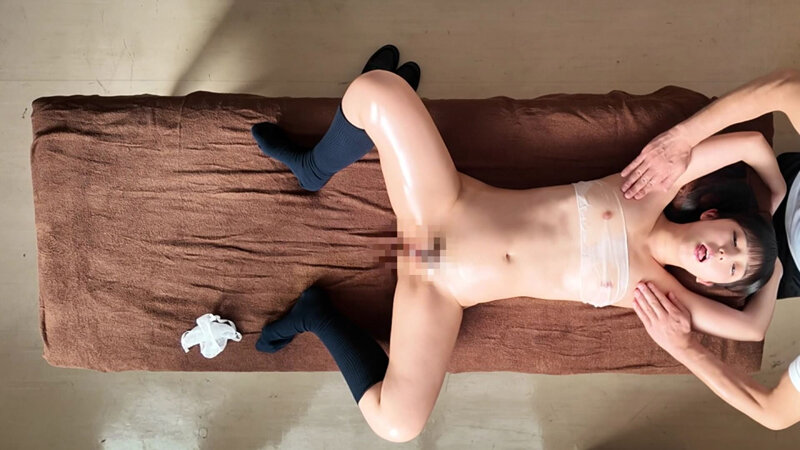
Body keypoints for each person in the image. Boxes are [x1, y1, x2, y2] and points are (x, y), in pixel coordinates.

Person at [250, 46, 785, 442]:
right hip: (442, 205)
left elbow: (752, 328)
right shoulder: (650, 188)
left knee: (398, 425)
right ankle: (314, 167)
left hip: (439, 289)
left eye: (731, 269)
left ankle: (317, 315)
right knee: (377, 89)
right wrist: (775, 198)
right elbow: (753, 142)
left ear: (708, 282)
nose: (725, 255)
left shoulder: (659, 296)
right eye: (734, 240)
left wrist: (777, 270)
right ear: (713, 216)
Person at [622, 68, 800, 430]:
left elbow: (773, 413)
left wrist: (685, 348)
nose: (723, 254)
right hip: (784, 189)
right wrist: (682, 139)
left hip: (783, 268)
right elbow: (787, 88)